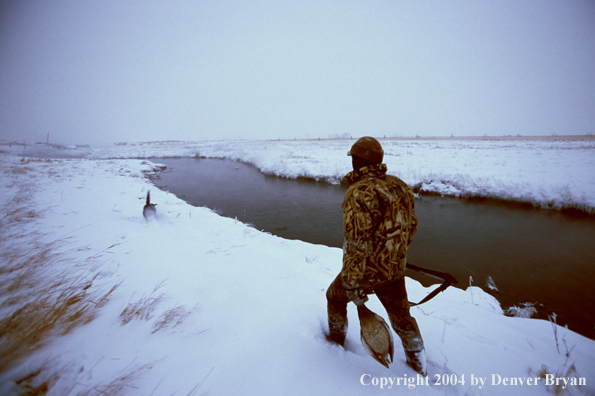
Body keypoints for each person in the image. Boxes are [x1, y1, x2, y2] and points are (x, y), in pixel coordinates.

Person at [326, 136, 427, 376]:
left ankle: (334, 345)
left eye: (353, 158)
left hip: (366, 271)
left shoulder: (359, 192)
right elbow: (411, 226)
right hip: (394, 269)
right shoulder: (400, 185)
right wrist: (395, 255)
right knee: (402, 316)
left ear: (358, 161)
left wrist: (351, 281)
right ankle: (419, 364)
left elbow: (356, 243)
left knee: (335, 297)